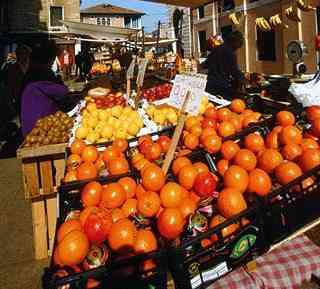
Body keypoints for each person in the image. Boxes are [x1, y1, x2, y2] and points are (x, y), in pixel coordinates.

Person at [21, 41, 76, 136]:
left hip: (27, 126)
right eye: (52, 59)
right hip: (42, 126)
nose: (52, 63)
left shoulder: (29, 74)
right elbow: (61, 91)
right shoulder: (43, 73)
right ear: (47, 59)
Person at [204, 31, 245, 100]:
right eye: (238, 45)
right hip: (222, 88)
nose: (237, 48)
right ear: (235, 42)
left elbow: (206, 64)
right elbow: (234, 72)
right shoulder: (231, 53)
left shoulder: (215, 49)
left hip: (210, 85)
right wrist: (242, 79)